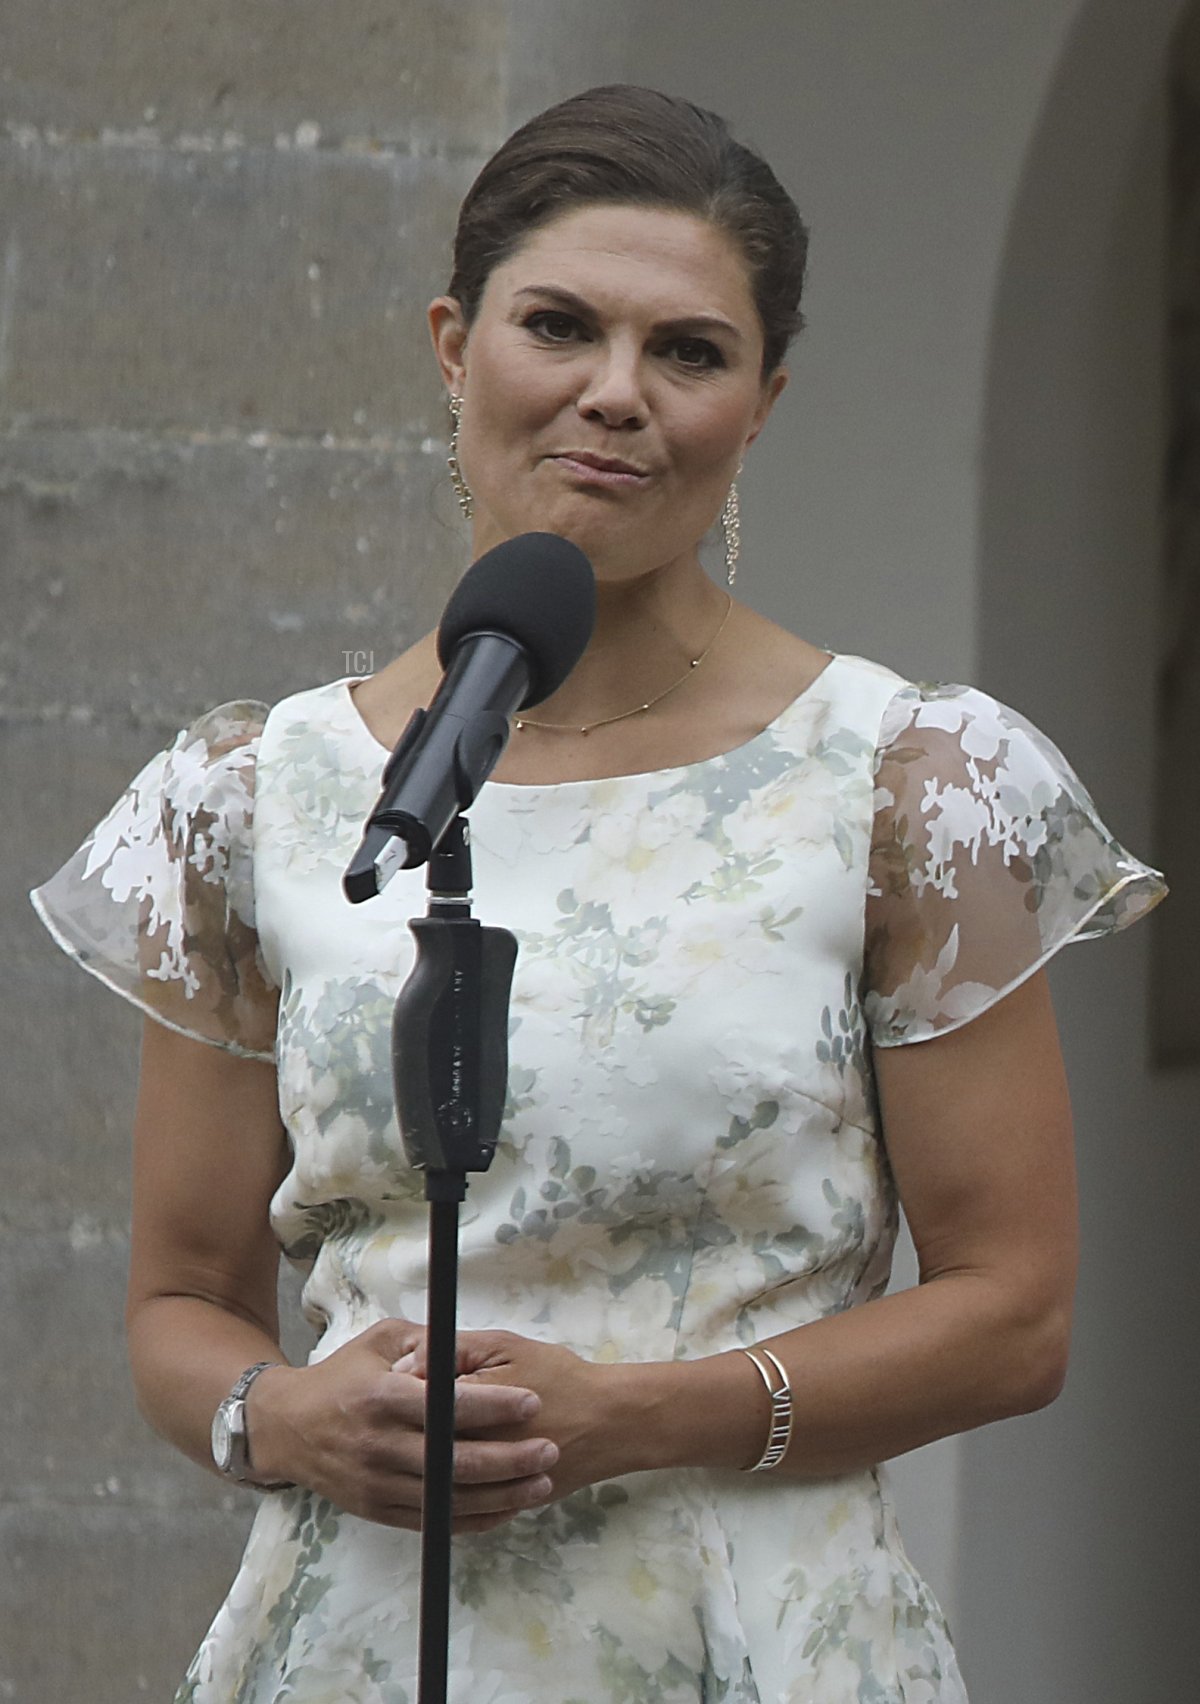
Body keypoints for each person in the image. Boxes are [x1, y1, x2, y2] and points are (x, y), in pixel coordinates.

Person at [31, 84, 1165, 1704]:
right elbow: (179, 1298)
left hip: (755, 1638)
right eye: (557, 325)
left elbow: (1015, 1314)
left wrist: (638, 1415)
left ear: (763, 400)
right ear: (451, 343)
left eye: (689, 352)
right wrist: (283, 1415)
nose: (614, 395)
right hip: (358, 1637)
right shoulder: (245, 794)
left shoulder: (912, 782)